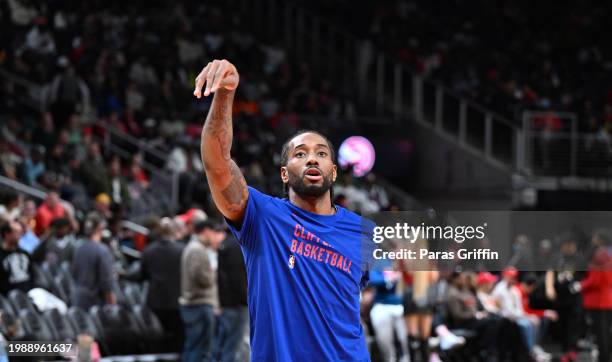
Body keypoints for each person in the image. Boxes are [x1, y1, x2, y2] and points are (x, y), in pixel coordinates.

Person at [195, 59, 371, 361]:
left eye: (321, 153)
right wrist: (226, 94)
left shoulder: (363, 231)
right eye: (300, 154)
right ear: (284, 174)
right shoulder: (262, 217)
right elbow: (217, 162)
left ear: (334, 171)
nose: (312, 159)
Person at [179, 219, 226, 362]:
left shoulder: (194, 248)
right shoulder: (197, 250)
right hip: (198, 306)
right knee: (199, 350)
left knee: (195, 348)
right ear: (206, 231)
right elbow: (204, 279)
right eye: (213, 232)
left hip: (195, 305)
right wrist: (213, 268)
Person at [138, 218, 184, 352]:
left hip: (155, 302)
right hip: (177, 301)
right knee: (176, 341)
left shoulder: (149, 250)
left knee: (157, 338)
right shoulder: (182, 250)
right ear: (173, 232)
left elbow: (142, 275)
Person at [71, 214, 116, 310]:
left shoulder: (78, 248)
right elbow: (106, 283)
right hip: (96, 304)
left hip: (78, 299)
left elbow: (74, 273)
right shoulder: (102, 250)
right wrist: (113, 305)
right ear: (100, 228)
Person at [217, 234, 249, 362]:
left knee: (227, 344)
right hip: (237, 304)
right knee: (233, 345)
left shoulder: (226, 243)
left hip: (228, 302)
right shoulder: (235, 245)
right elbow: (238, 278)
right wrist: (245, 300)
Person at [0, 220, 33, 295]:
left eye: (20, 232)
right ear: (7, 234)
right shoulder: (1, 256)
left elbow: (32, 275)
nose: (20, 235)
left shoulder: (25, 254)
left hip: (28, 293)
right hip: (8, 297)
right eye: (16, 232)